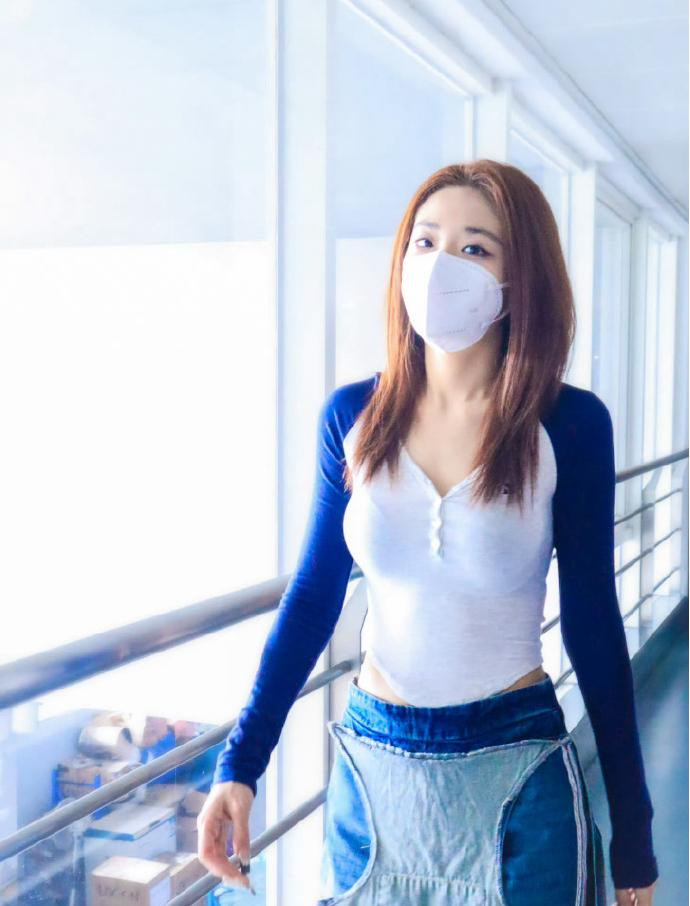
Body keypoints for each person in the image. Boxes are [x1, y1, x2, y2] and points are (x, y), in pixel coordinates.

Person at [196, 160, 659, 905]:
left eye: (475, 247)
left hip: (518, 768)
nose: (442, 264)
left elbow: (593, 625)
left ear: (520, 279)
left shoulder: (570, 425)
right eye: (426, 241)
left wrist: (634, 836)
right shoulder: (352, 418)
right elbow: (313, 598)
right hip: (375, 774)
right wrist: (240, 765)